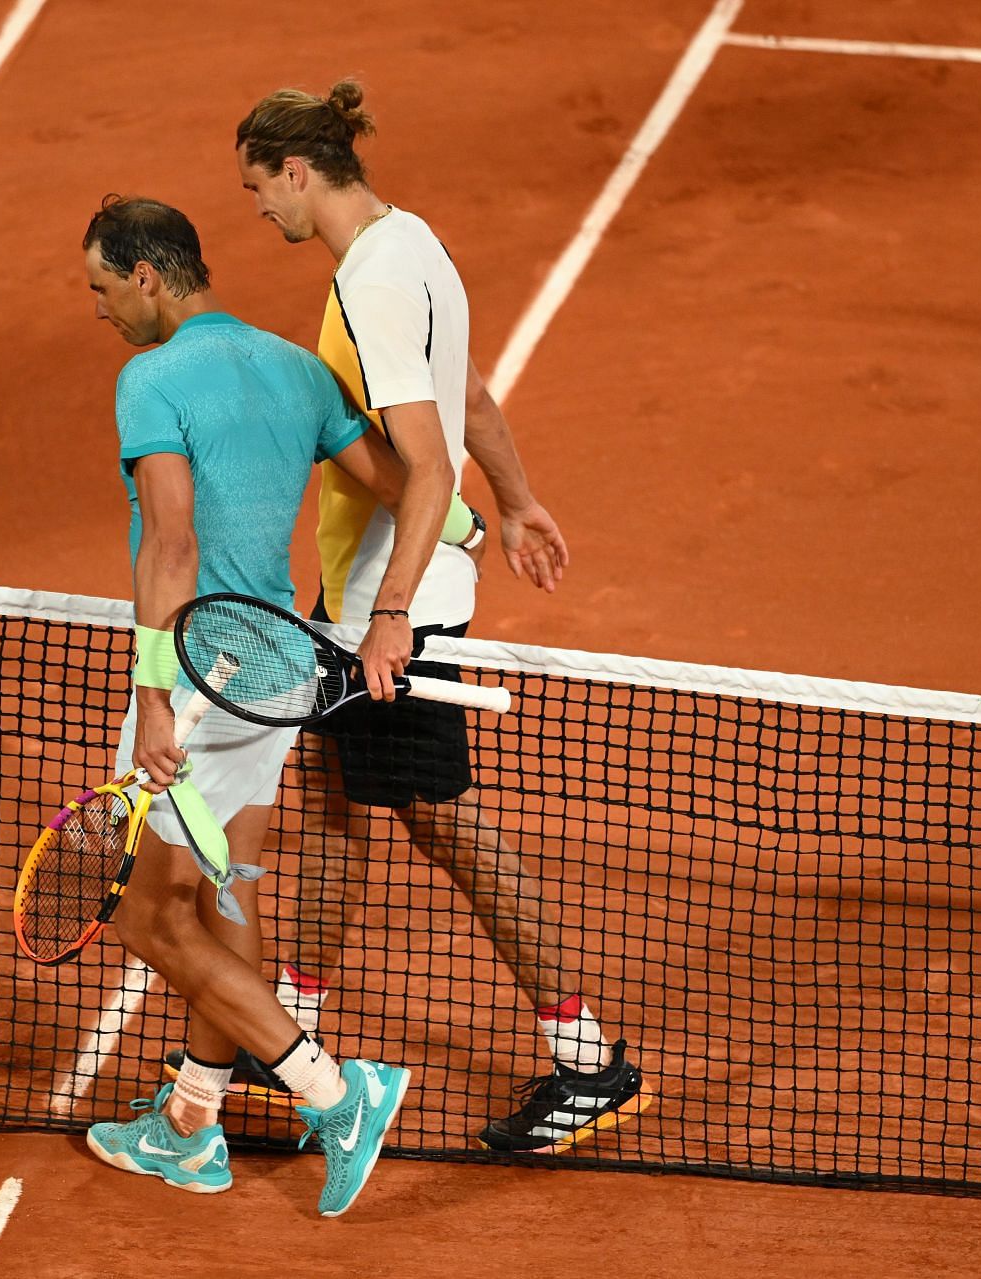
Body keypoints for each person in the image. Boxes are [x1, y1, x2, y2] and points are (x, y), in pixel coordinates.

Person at [222, 80, 653, 1154]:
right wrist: (513, 502)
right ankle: (297, 1042)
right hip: (356, 597)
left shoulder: (370, 282)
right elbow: (470, 401)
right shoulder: (414, 244)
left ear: (299, 171)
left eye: (259, 189)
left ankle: (587, 1057)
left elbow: (421, 462)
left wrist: (394, 613)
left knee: (446, 823)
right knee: (327, 801)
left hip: (386, 605)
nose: (258, 211)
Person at [77, 194, 480, 1214]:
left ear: (149, 278)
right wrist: (475, 526)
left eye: (103, 289)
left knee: (141, 913)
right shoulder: (299, 371)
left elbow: (172, 546)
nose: (101, 311)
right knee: (226, 896)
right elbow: (401, 482)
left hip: (205, 683)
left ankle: (335, 1092)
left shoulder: (150, 379)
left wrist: (156, 698)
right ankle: (191, 1125)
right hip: (282, 678)